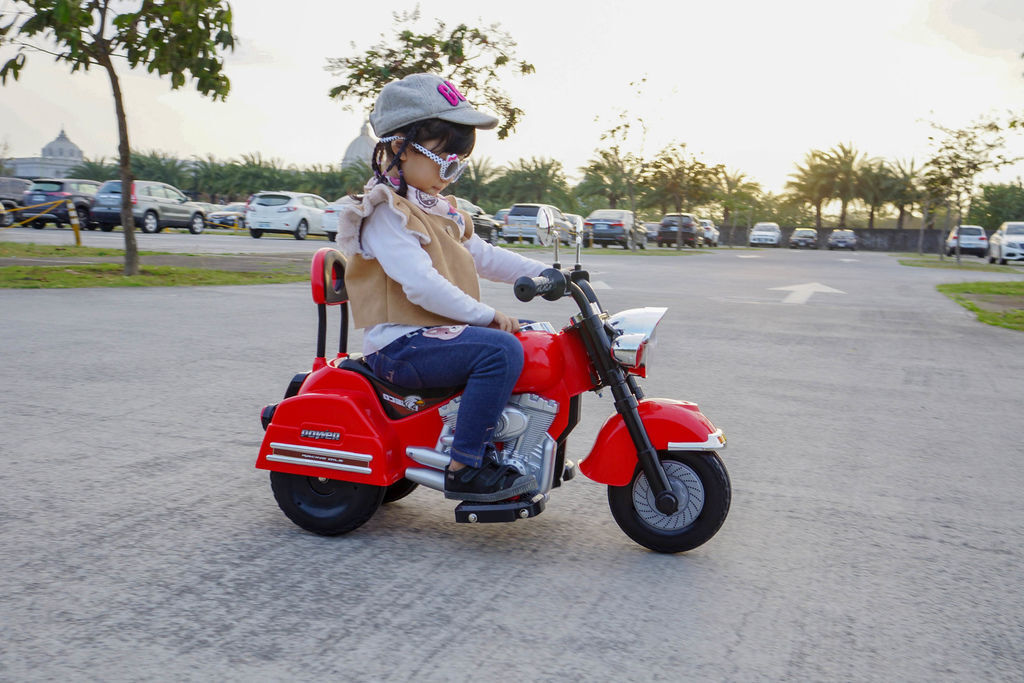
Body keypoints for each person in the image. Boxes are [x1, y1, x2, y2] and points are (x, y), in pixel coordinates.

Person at [334, 73, 549, 503]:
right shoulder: (385, 213)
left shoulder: (435, 207)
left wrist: (546, 273)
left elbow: (485, 256)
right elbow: (420, 286)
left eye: (459, 164)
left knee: (535, 334)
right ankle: (466, 465)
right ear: (398, 148)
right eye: (442, 160)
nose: (450, 175)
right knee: (499, 348)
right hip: (399, 346)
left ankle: (518, 443)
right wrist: (486, 316)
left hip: (431, 337)